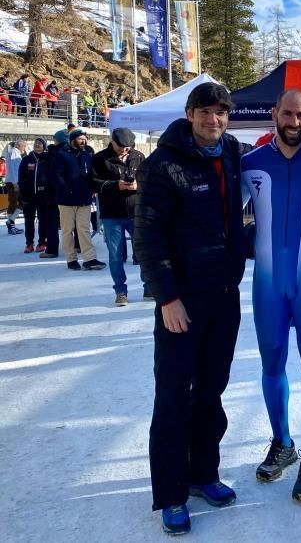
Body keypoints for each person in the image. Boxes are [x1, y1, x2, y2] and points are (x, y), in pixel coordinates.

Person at [134, 83, 247, 535]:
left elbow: (271, 156)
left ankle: (203, 474)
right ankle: (171, 494)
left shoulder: (232, 151)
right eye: (205, 111)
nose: (213, 120)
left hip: (224, 296)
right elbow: (148, 237)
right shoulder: (162, 164)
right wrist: (166, 297)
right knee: (173, 396)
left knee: (211, 392)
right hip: (181, 301)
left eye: (221, 112)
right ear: (189, 113)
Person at [240, 89, 301, 502]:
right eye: (287, 114)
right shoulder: (250, 163)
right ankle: (282, 442)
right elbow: (220, 215)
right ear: (274, 114)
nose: (294, 123)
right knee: (272, 364)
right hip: (268, 285)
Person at [91, 127, 146, 305]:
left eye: (128, 147)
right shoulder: (100, 158)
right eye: (121, 146)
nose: (124, 150)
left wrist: (139, 185)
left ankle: (149, 287)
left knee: (145, 252)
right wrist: (115, 185)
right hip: (111, 214)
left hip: (136, 212)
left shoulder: (138, 156)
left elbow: (150, 179)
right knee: (115, 255)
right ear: (112, 142)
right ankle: (120, 291)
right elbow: (92, 183)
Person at [51, 129, 105, 270]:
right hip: (66, 200)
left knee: (84, 229)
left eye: (85, 139)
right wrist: (66, 189)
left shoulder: (87, 155)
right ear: (73, 140)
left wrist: (92, 188)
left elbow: (91, 175)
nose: (83, 141)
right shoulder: (62, 155)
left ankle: (90, 258)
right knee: (67, 230)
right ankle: (71, 259)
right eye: (80, 139)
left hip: (84, 199)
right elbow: (56, 176)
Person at [38, 130, 69, 258]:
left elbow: (46, 174)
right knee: (71, 223)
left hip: (52, 193)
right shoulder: (72, 152)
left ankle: (52, 249)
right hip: (69, 193)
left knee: (51, 223)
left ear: (56, 140)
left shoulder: (51, 154)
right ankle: (77, 246)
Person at [18, 137, 49, 253]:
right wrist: (22, 193)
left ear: (44, 146)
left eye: (40, 143)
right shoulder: (26, 159)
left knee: (43, 219)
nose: (37, 144)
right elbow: (21, 177)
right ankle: (29, 243)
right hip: (29, 195)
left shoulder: (47, 159)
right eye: (36, 143)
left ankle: (42, 242)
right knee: (29, 220)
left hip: (43, 195)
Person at [3, 140, 25, 234]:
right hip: (13, 182)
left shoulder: (13, 152)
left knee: (15, 202)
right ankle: (11, 223)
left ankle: (11, 223)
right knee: (17, 202)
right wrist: (15, 183)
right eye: (24, 146)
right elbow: (13, 169)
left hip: (12, 181)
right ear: (20, 145)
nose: (24, 148)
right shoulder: (14, 152)